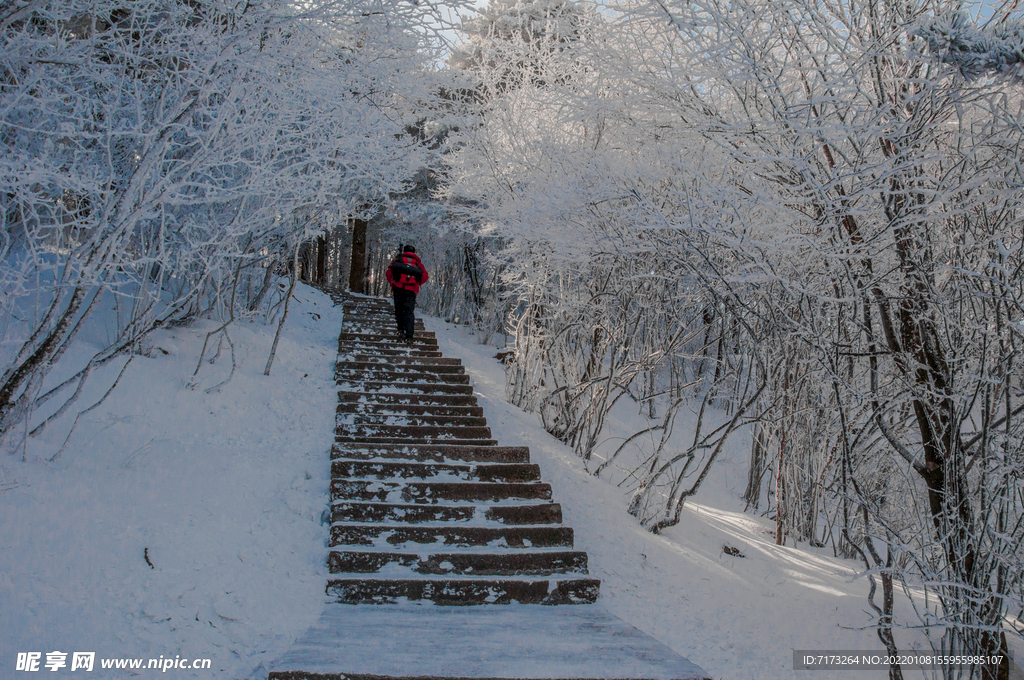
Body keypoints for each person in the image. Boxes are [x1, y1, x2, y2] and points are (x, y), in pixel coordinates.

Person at [384, 245, 429, 344]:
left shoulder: (399, 259)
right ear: (414, 252)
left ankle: (400, 331)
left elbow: (389, 272)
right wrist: (416, 283)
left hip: (398, 288)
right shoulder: (417, 262)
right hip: (411, 290)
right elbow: (425, 276)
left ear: (404, 251)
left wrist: (393, 283)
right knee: (408, 312)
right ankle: (409, 336)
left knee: (399, 310)